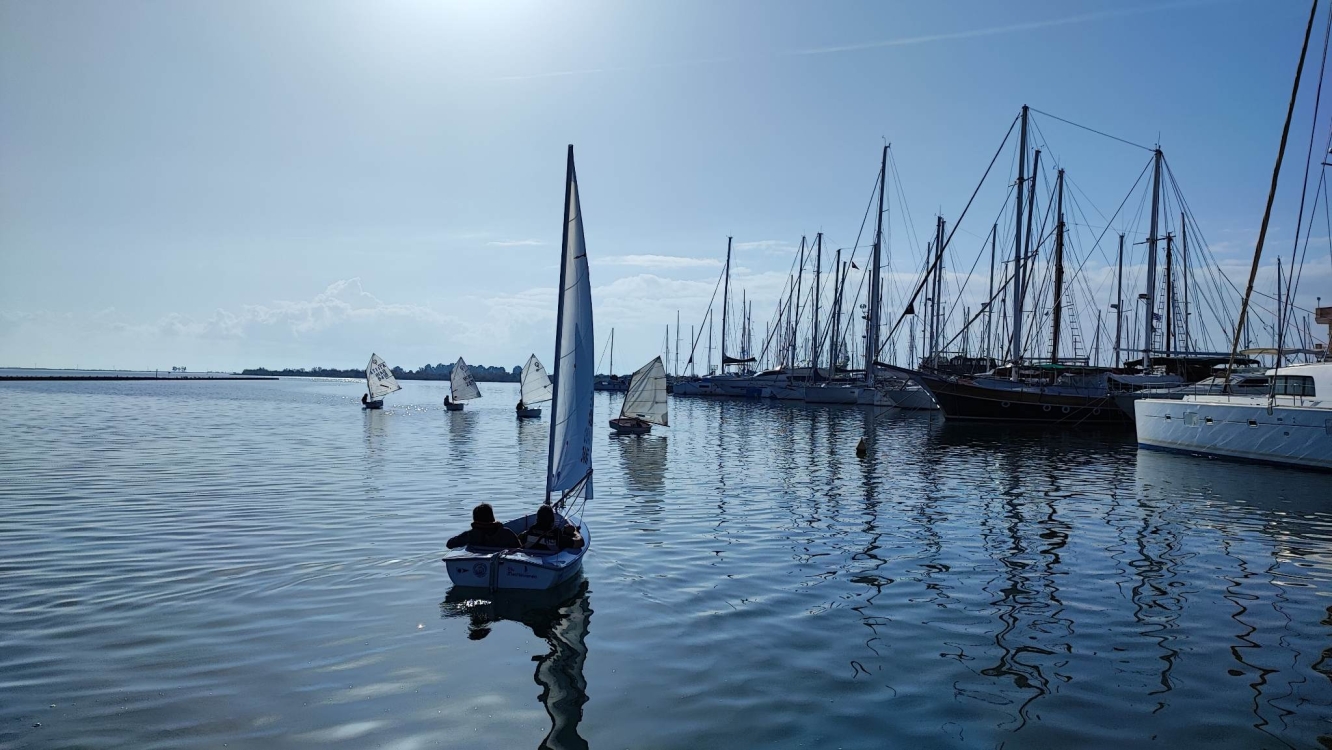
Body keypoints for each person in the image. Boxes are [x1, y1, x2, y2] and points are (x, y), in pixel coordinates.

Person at [446, 503, 522, 549]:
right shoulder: (507, 533)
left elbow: (449, 544)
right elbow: (519, 548)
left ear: (475, 519)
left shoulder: (470, 535)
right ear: (492, 517)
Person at [520, 504, 584, 552]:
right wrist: (575, 531)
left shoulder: (530, 531)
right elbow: (580, 542)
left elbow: (520, 539)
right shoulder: (557, 535)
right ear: (552, 520)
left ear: (537, 518)